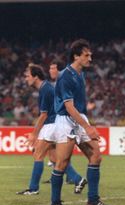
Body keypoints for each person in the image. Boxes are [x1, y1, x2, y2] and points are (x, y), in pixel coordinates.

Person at [50, 39, 112, 205]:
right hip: (65, 120)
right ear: (76, 56)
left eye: (90, 54)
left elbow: (76, 105)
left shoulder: (80, 74)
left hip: (79, 118)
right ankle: (55, 203)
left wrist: (85, 120)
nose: (90, 58)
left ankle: (92, 201)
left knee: (96, 156)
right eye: (86, 55)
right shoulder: (65, 76)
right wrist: (88, 127)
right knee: (62, 162)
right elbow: (69, 107)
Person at [17, 64, 87, 195]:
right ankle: (78, 179)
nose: (26, 79)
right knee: (55, 159)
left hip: (52, 124)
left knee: (38, 154)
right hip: (56, 123)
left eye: (27, 76)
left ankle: (33, 188)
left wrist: (34, 134)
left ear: (35, 76)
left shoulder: (45, 89)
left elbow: (44, 114)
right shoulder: (47, 87)